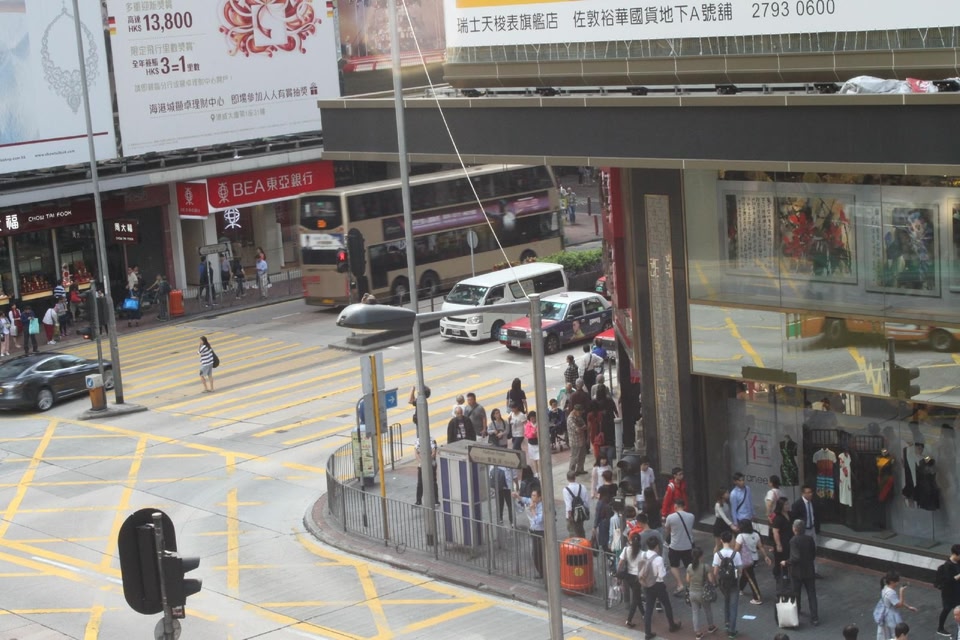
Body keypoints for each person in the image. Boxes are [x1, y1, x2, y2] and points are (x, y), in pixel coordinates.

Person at [642, 537, 683, 639]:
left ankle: (647, 632)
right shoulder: (659, 559)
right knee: (667, 605)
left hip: (647, 584)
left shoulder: (643, 555)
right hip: (658, 585)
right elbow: (661, 575)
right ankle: (672, 625)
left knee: (649, 609)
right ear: (656, 546)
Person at [782, 519, 818, 626]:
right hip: (809, 570)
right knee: (811, 594)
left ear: (794, 529)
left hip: (797, 572)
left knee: (796, 594)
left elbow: (795, 557)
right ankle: (815, 617)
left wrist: (786, 562)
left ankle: (796, 614)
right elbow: (813, 553)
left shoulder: (793, 540)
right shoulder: (809, 539)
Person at [713, 530, 743, 639]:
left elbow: (715, 572)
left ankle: (726, 623)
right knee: (733, 606)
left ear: (721, 540)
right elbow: (740, 570)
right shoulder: (736, 554)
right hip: (733, 583)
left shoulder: (718, 554)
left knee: (726, 601)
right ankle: (732, 631)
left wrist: (716, 581)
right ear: (731, 540)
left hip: (723, 583)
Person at [663, 498, 696, 596]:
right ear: (684, 506)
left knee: (674, 566)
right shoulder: (691, 516)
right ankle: (691, 584)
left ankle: (680, 584)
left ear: (675, 506)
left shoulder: (670, 517)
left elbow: (667, 530)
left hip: (675, 546)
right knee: (689, 566)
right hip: (688, 545)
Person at [734, 519, 771, 604]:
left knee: (751, 577)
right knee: (746, 574)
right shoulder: (756, 534)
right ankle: (740, 588)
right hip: (754, 558)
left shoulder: (740, 536)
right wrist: (765, 556)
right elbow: (760, 546)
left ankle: (757, 597)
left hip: (745, 560)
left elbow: (736, 549)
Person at [686, 546, 718, 640]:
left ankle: (698, 633)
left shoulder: (690, 566)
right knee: (707, 609)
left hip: (692, 592)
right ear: (701, 556)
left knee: (695, 612)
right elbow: (711, 580)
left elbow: (687, 580)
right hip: (703, 592)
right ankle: (711, 627)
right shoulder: (705, 567)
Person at [789, 484, 821, 577]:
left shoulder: (813, 502)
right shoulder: (797, 504)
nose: (810, 494)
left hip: (812, 528)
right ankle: (803, 571)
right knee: (803, 551)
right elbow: (793, 519)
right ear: (803, 493)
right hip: (803, 531)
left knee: (813, 549)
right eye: (808, 492)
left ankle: (814, 571)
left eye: (811, 492)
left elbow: (816, 515)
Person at [513, 488, 545, 579]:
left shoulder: (542, 507)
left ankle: (542, 572)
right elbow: (526, 500)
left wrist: (533, 510)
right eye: (532, 495)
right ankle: (541, 571)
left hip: (540, 532)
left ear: (539, 497)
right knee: (535, 553)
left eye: (534, 496)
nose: (532, 497)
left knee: (537, 553)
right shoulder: (532, 501)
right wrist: (518, 496)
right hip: (534, 531)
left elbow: (539, 520)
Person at [876, 570, 916, 640]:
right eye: (897, 581)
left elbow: (895, 601)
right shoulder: (891, 593)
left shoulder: (885, 588)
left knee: (885, 633)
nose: (898, 583)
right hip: (890, 616)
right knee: (895, 633)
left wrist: (908, 607)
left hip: (885, 613)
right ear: (892, 582)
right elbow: (899, 605)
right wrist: (901, 592)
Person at [619, 533, 646, 628]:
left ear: (630, 540)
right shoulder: (642, 554)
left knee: (637, 596)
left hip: (628, 577)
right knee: (635, 598)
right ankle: (629, 620)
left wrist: (618, 574)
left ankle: (644, 614)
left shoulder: (626, 550)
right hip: (637, 578)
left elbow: (620, 563)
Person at [935, 544, 960, 636]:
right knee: (946, 609)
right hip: (949, 593)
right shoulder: (947, 565)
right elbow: (949, 581)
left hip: (957, 591)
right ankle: (940, 628)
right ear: (955, 554)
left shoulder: (958, 562)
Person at [770, 496, 793, 580]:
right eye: (785, 504)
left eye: (788, 504)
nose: (788, 506)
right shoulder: (778, 518)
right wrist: (778, 544)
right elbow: (775, 532)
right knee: (779, 558)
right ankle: (777, 573)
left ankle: (786, 573)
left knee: (787, 557)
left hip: (789, 540)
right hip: (782, 541)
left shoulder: (790, 514)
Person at [564, 470, 590, 538]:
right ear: (575, 477)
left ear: (567, 478)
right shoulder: (582, 487)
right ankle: (583, 542)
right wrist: (586, 511)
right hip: (581, 512)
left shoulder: (566, 490)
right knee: (580, 530)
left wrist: (569, 516)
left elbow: (568, 505)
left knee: (572, 532)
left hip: (571, 514)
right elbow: (586, 501)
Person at [414, 437, 438, 506]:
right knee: (420, 483)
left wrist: (426, 461)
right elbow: (416, 454)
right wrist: (422, 462)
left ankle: (436, 500)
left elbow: (433, 453)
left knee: (433, 482)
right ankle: (418, 500)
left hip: (431, 464)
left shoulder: (431, 440)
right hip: (421, 465)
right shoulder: (417, 441)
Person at [566, 404, 588, 475]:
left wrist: (581, 428)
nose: (580, 413)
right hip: (574, 441)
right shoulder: (570, 419)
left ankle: (580, 469)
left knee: (582, 456)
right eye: (579, 412)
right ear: (575, 410)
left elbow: (585, 425)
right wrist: (581, 428)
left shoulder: (578, 416)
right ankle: (571, 471)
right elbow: (577, 429)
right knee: (574, 457)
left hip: (581, 439)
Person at [524, 411, 541, 476]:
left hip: (538, 443)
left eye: (534, 418)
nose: (533, 420)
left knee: (539, 459)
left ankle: (541, 472)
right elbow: (527, 434)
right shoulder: (528, 425)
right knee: (534, 459)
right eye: (532, 419)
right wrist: (533, 434)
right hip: (531, 444)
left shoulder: (539, 423)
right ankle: (536, 473)